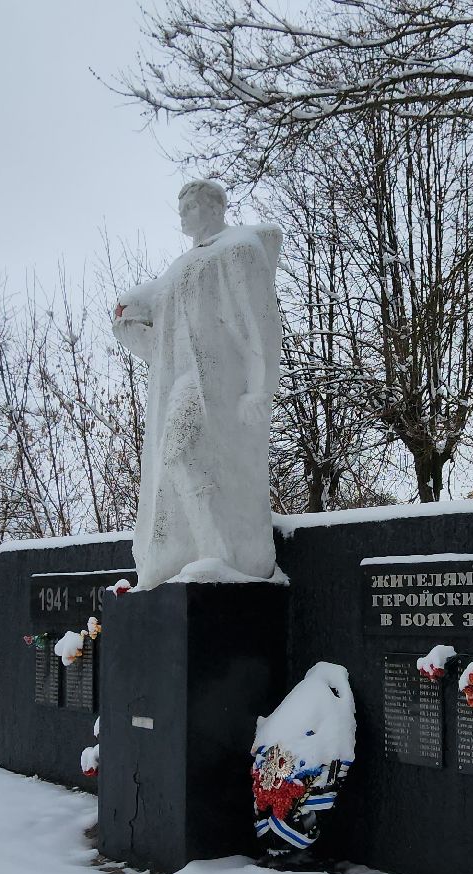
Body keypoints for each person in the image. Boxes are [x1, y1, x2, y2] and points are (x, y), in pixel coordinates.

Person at [112, 180, 283, 589]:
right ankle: (199, 551)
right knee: (176, 460)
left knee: (183, 454)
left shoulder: (238, 248)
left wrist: (261, 387)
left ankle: (220, 552)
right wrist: (125, 315)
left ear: (215, 207)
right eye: (181, 208)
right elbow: (151, 311)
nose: (184, 215)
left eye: (190, 206)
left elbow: (261, 321)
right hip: (184, 380)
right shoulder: (180, 268)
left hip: (218, 383)